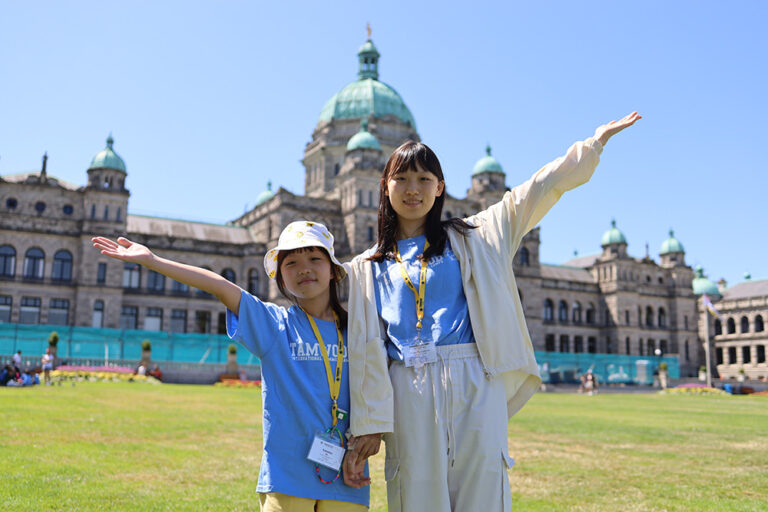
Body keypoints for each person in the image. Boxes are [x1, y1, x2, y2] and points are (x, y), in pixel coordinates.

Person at [343, 112, 641, 511]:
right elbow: (365, 348)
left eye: (423, 180)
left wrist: (592, 145)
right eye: (402, 179)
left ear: (440, 188)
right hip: (406, 387)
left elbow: (536, 191)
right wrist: (369, 422)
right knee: (414, 491)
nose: (412, 189)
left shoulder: (475, 236)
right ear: (385, 187)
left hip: (473, 377)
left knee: (483, 490)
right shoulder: (366, 266)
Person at [92, 220, 369, 512]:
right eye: (292, 263)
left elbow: (377, 392)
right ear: (281, 278)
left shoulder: (359, 330)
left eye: (315, 258)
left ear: (333, 270)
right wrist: (154, 261)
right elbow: (219, 285)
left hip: (348, 475)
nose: (304, 268)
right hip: (287, 477)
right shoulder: (274, 324)